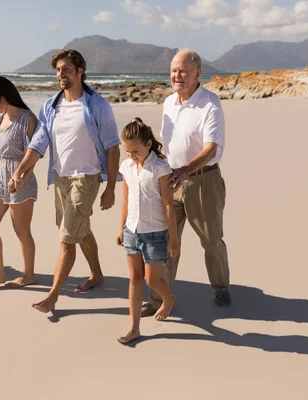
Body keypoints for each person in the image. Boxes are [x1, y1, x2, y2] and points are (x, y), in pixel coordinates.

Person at [9, 49, 121, 312]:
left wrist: (111, 188)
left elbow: (113, 147)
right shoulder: (50, 106)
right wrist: (20, 171)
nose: (61, 74)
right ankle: (97, 274)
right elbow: (39, 143)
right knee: (78, 228)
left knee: (67, 237)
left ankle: (53, 295)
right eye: (58, 70)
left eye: (66, 69)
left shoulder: (97, 105)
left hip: (87, 177)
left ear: (80, 71)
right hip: (60, 178)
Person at [143, 49, 231, 316]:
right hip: (171, 181)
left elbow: (211, 149)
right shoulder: (169, 103)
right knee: (166, 239)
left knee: (211, 240)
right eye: (173, 70)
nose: (176, 75)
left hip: (202, 182)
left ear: (197, 73)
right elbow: (167, 145)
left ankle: (220, 287)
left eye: (182, 70)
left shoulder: (210, 104)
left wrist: (184, 170)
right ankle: (160, 298)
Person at [115, 118, 179, 344]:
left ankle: (168, 299)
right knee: (134, 278)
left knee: (152, 280)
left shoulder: (160, 168)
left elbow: (169, 205)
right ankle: (134, 328)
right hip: (132, 230)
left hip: (155, 232)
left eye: (135, 151)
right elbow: (125, 198)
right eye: (127, 150)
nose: (131, 155)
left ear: (148, 144)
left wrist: (174, 239)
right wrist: (122, 227)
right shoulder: (126, 167)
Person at [0, 76, 39, 290]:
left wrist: (20, 178)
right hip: (0, 176)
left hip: (21, 179)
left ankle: (29, 275)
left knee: (21, 230)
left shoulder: (28, 119)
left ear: (3, 96)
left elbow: (34, 154)